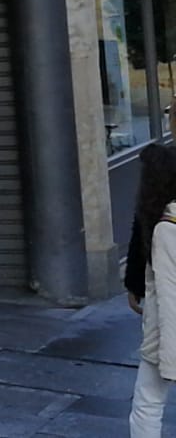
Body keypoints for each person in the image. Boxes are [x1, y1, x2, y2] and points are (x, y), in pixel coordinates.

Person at [130, 142, 176, 436]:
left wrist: (170, 355)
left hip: (165, 333)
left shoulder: (166, 227)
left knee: (147, 402)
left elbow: (170, 294)